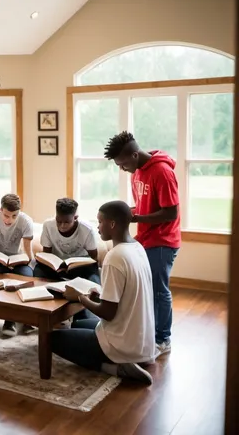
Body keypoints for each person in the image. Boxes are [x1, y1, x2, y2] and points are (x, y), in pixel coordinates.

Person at [51, 201, 156, 385]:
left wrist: (80, 298)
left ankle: (116, 367)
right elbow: (126, 295)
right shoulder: (137, 248)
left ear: (112, 224)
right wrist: (99, 295)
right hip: (141, 340)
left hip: (123, 344)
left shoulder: (114, 257)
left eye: (100, 222)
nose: (98, 227)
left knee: (50, 339)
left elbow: (108, 312)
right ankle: (127, 359)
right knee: (78, 324)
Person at [104, 131, 180, 356]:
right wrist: (128, 212)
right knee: (145, 289)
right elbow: (145, 206)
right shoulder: (136, 173)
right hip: (146, 238)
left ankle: (162, 339)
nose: (122, 168)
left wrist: (136, 218)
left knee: (158, 291)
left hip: (164, 240)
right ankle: (147, 333)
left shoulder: (162, 172)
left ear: (135, 155)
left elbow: (171, 212)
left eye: (123, 163)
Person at [0, 193, 34, 337]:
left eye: (14, 216)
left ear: (19, 213)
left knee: (27, 276)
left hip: (18, 261)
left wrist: (20, 260)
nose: (9, 220)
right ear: (0, 210)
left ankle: (11, 319)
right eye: (6, 215)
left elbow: (28, 255)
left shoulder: (26, 222)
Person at [33, 198, 100, 284]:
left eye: (67, 222)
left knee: (93, 277)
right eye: (58, 221)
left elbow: (94, 257)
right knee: (38, 270)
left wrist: (75, 266)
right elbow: (47, 254)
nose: (62, 225)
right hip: (57, 267)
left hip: (80, 267)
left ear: (75, 218)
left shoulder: (87, 229)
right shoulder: (48, 226)